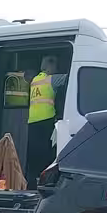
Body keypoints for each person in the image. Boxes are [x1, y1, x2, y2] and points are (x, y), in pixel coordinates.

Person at [26, 55, 67, 188]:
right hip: (46, 121)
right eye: (55, 66)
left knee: (34, 155)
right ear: (49, 66)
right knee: (47, 155)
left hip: (32, 122)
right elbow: (71, 77)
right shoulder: (51, 79)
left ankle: (32, 183)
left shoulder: (35, 80)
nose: (56, 69)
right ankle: (45, 184)